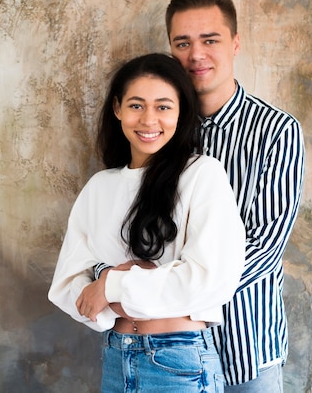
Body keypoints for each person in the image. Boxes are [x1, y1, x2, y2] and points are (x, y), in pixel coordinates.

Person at [48, 53, 246, 392]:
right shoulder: (100, 187)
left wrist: (109, 284)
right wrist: (109, 281)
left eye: (164, 107)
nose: (149, 119)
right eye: (136, 105)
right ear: (117, 109)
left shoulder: (203, 175)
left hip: (178, 361)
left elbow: (209, 280)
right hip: (115, 357)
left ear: (181, 111)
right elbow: (68, 288)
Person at [165, 0, 305, 392]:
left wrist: (173, 292)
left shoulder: (277, 131)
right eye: (183, 43)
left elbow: (265, 243)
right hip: (169, 351)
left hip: (246, 349)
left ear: (235, 43)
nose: (197, 55)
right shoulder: (160, 131)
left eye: (210, 40)